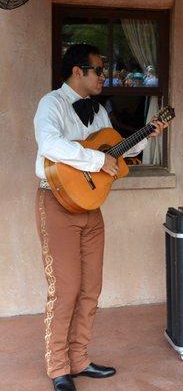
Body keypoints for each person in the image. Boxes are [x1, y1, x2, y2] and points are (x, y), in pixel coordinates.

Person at [34, 43, 169, 391]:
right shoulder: (52, 104)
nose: (103, 77)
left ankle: (79, 358)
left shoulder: (98, 112)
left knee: (91, 288)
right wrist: (96, 161)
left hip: (91, 207)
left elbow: (116, 150)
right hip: (57, 202)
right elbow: (50, 144)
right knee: (64, 289)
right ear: (78, 71)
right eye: (98, 70)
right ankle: (58, 366)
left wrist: (144, 137)